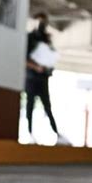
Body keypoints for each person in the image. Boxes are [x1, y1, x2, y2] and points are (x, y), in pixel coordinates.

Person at [25, 13, 61, 142]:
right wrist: (36, 67)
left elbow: (51, 57)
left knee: (47, 106)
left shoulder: (46, 39)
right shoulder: (29, 38)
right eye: (40, 21)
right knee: (30, 105)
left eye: (44, 22)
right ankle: (29, 133)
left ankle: (56, 134)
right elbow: (23, 59)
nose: (42, 25)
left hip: (43, 78)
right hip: (31, 78)